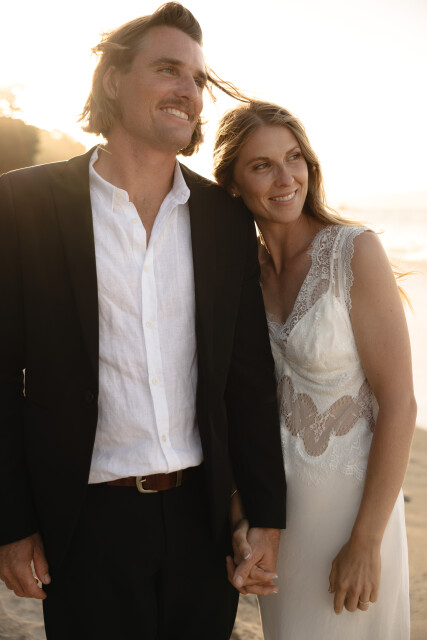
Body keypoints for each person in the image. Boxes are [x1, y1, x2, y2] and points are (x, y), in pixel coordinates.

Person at [0, 7, 287, 639]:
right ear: (112, 79)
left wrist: (266, 514)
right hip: (84, 523)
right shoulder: (22, 204)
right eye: (168, 70)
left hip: (203, 524)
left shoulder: (224, 218)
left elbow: (248, 377)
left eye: (197, 78)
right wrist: (11, 524)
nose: (189, 90)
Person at [213, 100, 416, 639]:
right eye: (262, 165)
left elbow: (400, 404)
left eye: (294, 158)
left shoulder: (354, 253)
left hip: (355, 516)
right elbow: (237, 407)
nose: (286, 179)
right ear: (233, 183)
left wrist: (366, 542)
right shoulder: (242, 275)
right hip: (277, 521)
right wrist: (243, 516)